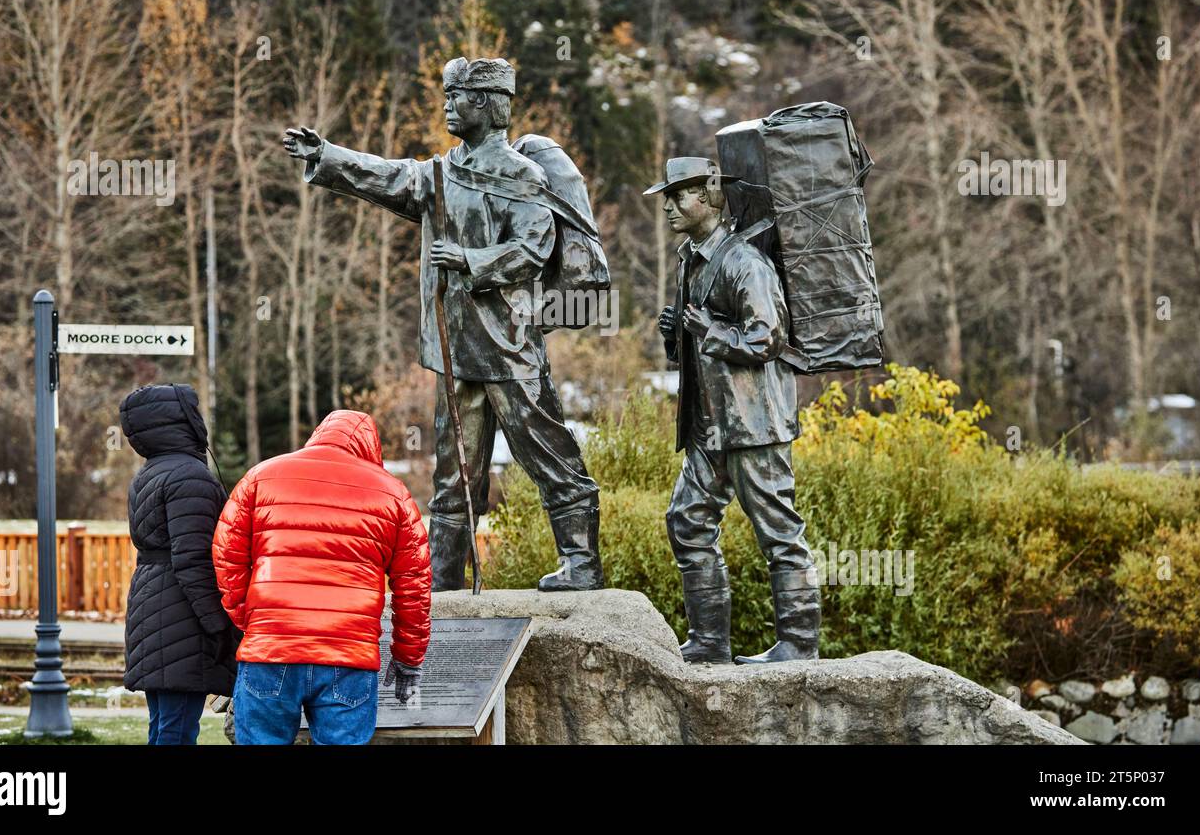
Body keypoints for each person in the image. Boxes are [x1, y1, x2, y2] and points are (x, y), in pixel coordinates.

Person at [281, 56, 603, 592]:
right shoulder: (440, 173)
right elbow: (388, 176)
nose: (448, 106)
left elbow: (534, 246)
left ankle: (582, 563)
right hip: (456, 353)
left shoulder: (523, 175)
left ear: (487, 103)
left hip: (509, 346)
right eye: (447, 95)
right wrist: (328, 156)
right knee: (453, 475)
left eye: (458, 96)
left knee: (547, 451)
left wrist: (473, 261)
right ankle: (446, 581)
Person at [650, 157, 821, 665]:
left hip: (753, 424)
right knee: (686, 522)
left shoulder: (745, 262)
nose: (668, 205)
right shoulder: (693, 259)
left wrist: (709, 331)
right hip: (710, 426)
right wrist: (674, 337)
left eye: (678, 194)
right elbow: (696, 354)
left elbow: (767, 338)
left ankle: (799, 644)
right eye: (666, 195)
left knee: (779, 533)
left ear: (708, 194)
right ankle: (709, 642)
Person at [213, 409, 431, 745]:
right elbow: (414, 586)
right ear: (371, 448)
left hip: (272, 649)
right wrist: (408, 658)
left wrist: (252, 618)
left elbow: (226, 554)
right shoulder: (393, 495)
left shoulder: (261, 477)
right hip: (348, 658)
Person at [119, 383, 239, 744]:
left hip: (153, 605)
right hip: (182, 616)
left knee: (165, 725)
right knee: (178, 729)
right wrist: (218, 625)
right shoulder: (190, 477)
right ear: (184, 420)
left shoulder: (149, 473)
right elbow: (193, 560)